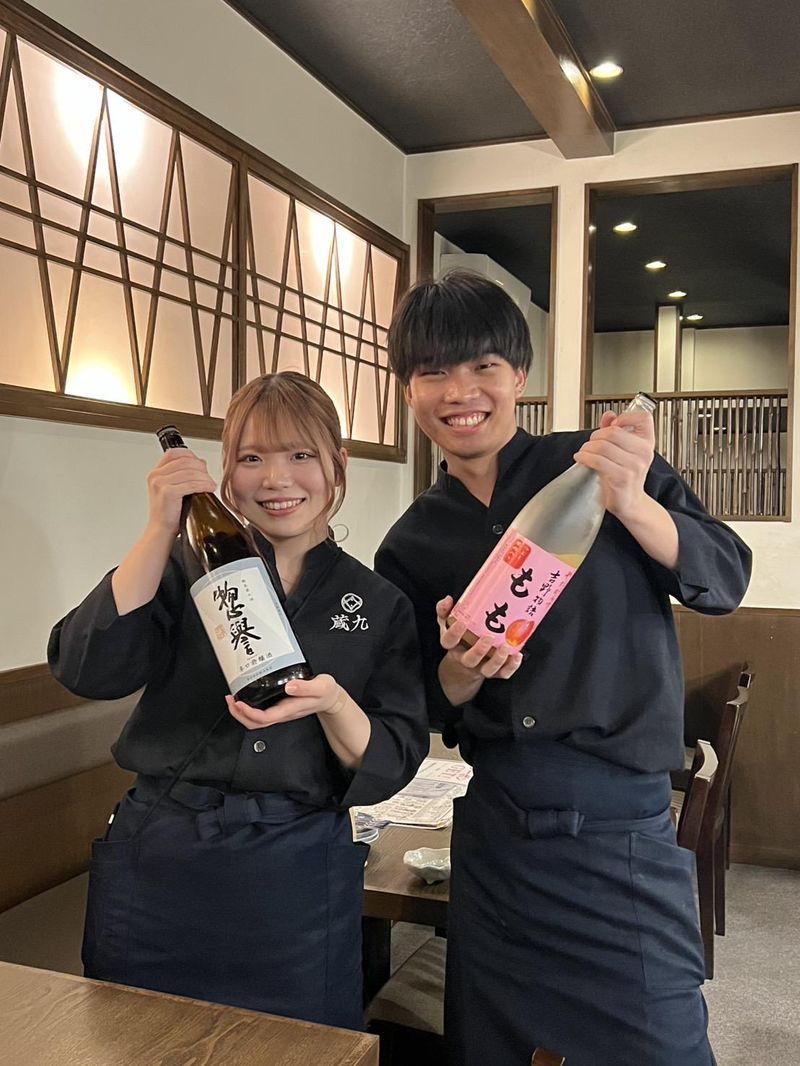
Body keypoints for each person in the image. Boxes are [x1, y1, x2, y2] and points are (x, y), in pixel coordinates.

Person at [374, 270, 752, 1066]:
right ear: (408, 391)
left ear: (519, 375)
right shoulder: (411, 542)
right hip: (497, 836)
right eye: (433, 372)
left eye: (482, 366)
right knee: (493, 1051)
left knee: (663, 1048)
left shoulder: (594, 469)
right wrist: (463, 672)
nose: (460, 392)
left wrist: (633, 501)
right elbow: (428, 703)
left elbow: (724, 578)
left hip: (621, 828)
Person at [48, 370, 428, 1030]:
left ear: (338, 464)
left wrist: (333, 704)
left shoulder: (376, 602)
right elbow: (86, 668)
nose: (276, 480)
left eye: (300, 455)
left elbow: (392, 758)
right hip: (162, 859)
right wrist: (159, 529)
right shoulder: (178, 570)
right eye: (252, 459)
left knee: (300, 1049)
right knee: (135, 1042)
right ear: (226, 474)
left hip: (294, 875)